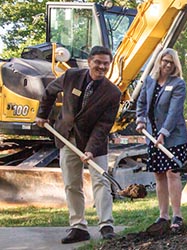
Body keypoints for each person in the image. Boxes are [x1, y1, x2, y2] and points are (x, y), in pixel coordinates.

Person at [36, 46, 121, 243]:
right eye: (98, 62)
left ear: (109, 66)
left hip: (95, 142)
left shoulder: (112, 93)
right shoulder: (71, 76)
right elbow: (49, 92)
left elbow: (104, 125)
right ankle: (78, 226)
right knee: (72, 183)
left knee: (101, 182)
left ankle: (106, 224)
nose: (101, 66)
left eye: (105, 64)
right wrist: (42, 115)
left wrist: (90, 150)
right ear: (90, 61)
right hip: (68, 137)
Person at [136, 48, 187, 228]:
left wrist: (163, 133)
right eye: (165, 61)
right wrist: (141, 120)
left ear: (175, 65)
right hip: (152, 135)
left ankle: (177, 215)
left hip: (173, 136)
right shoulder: (150, 81)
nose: (167, 65)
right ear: (159, 61)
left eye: (171, 62)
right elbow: (141, 102)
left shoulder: (178, 84)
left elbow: (174, 112)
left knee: (172, 173)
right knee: (159, 174)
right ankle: (163, 215)